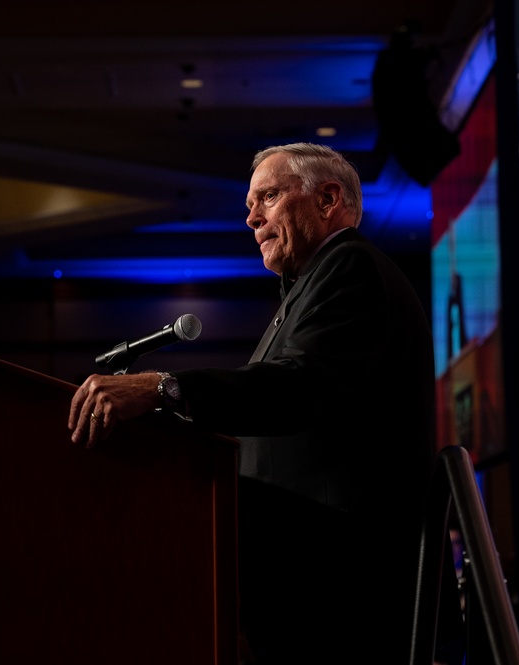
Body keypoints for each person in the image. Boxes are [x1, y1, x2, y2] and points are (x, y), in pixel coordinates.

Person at [68, 143, 438, 664]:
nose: (251, 217)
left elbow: (297, 388)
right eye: (250, 204)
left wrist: (163, 388)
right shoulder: (309, 286)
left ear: (329, 198)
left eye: (267, 196)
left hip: (340, 579)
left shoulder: (350, 267)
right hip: (308, 576)